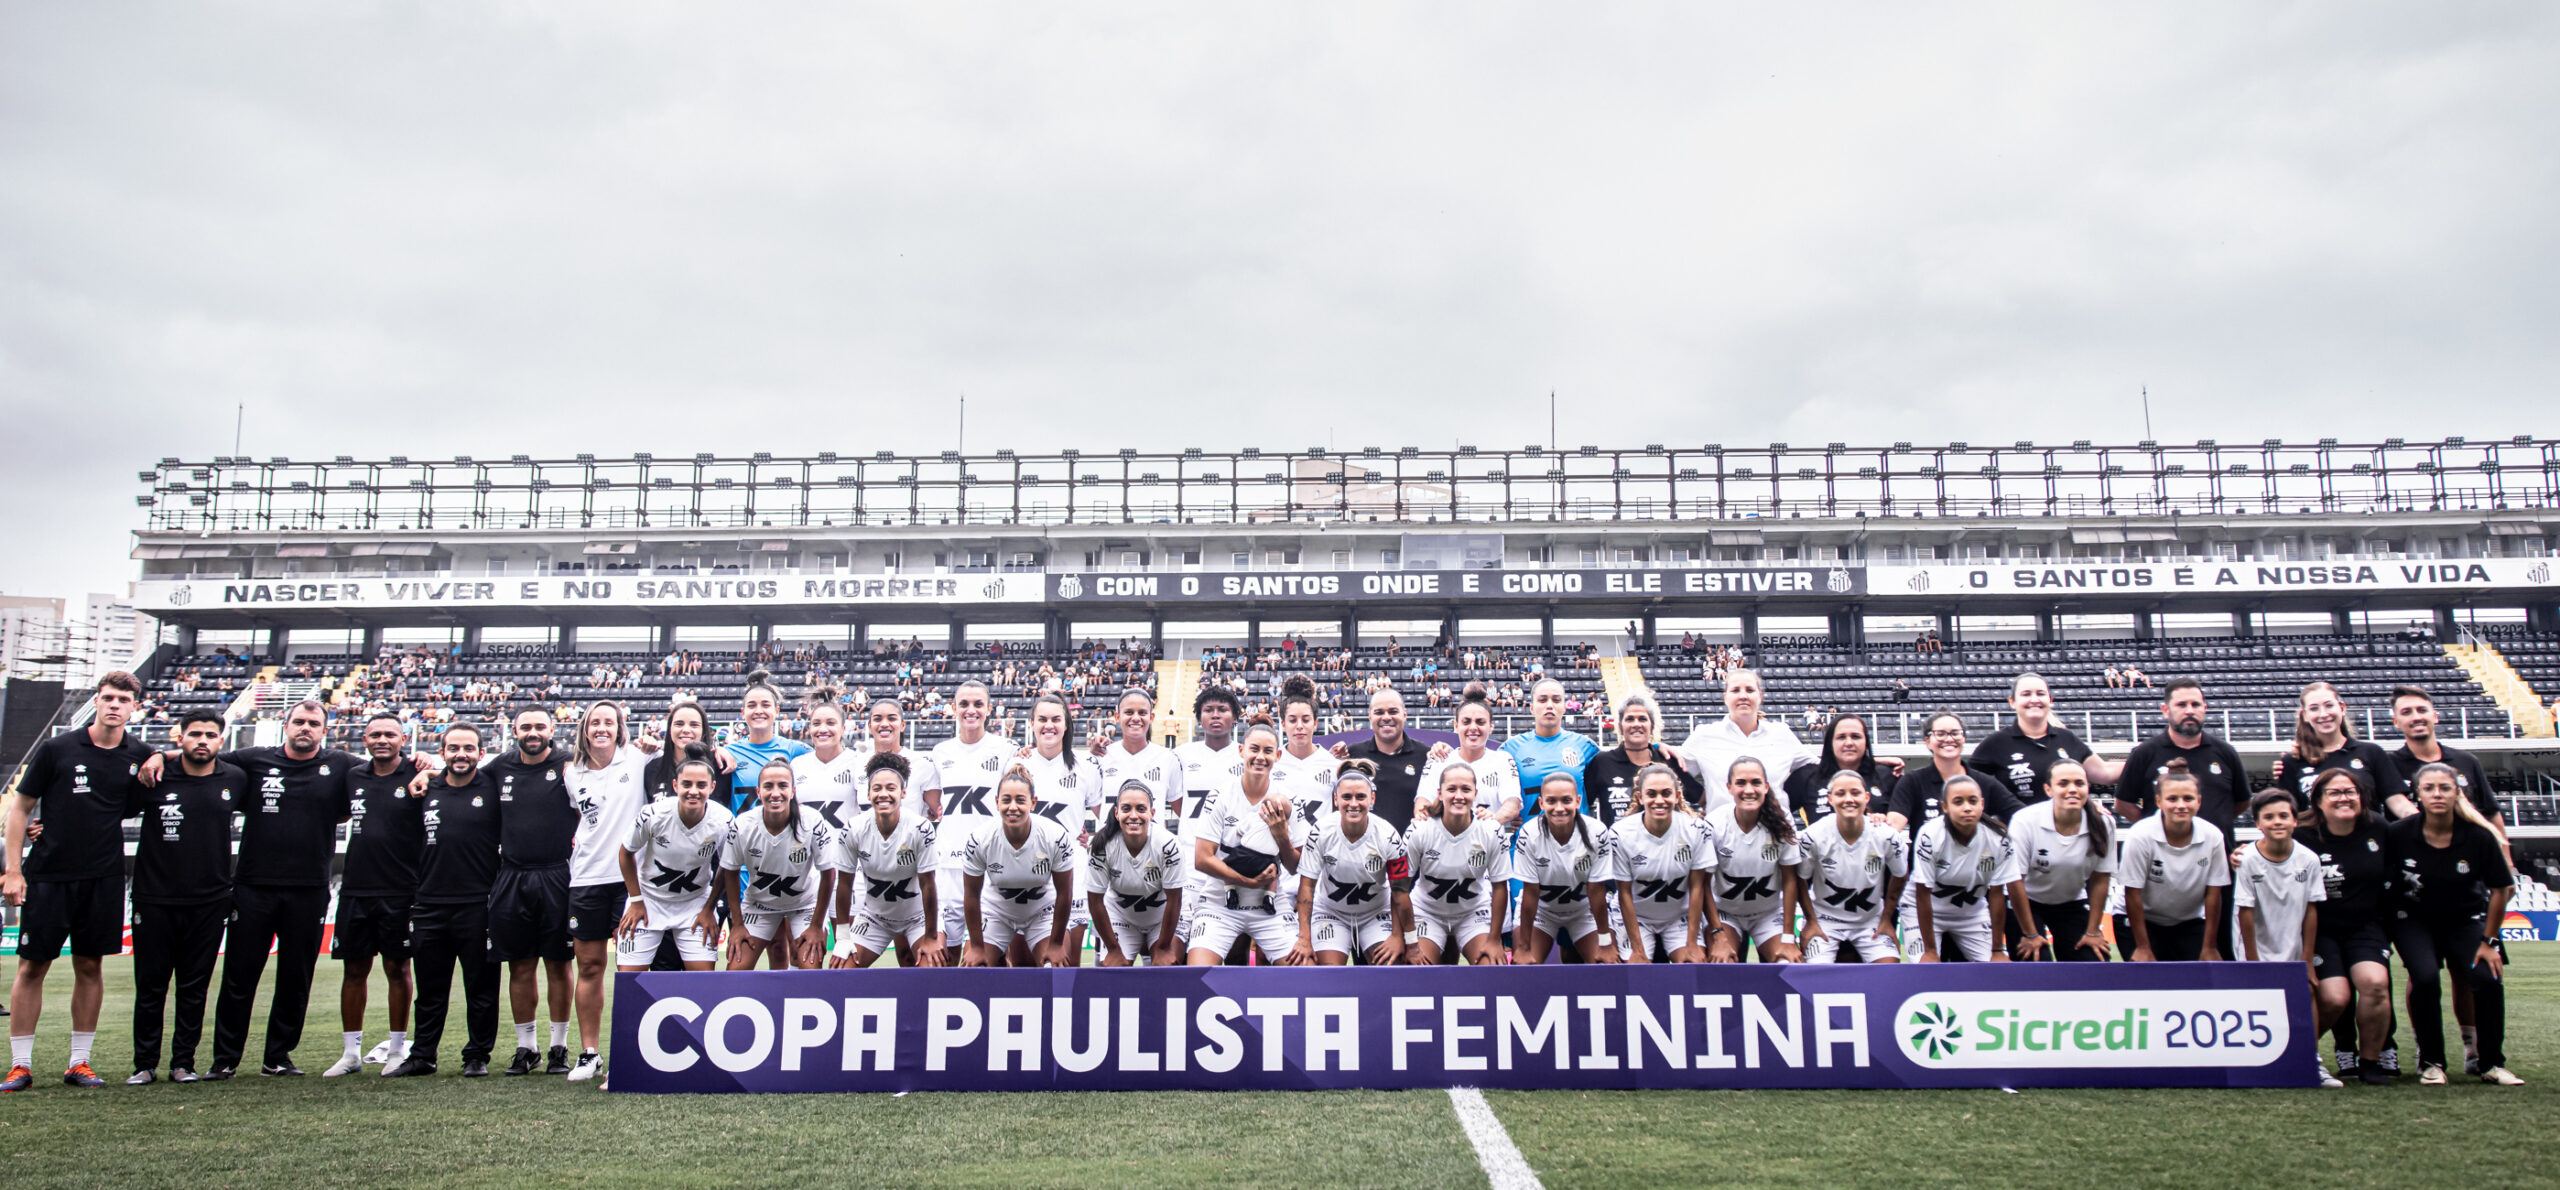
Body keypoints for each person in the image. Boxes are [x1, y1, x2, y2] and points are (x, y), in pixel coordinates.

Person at [3, 672, 150, 1092]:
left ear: (134, 707)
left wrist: (160, 756)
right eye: (107, 697)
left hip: (102, 877)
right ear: (97, 701)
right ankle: (20, 1066)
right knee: (33, 966)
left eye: (123, 699)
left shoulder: (137, 755)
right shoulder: (58, 749)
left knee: (90, 965)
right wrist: (13, 870)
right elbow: (20, 809)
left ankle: (79, 1063)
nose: (114, 705)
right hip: (49, 875)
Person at [195, 698, 356, 1079]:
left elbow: (385, 774)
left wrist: (421, 765)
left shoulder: (341, 766)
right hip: (253, 886)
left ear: (325, 730)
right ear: (286, 725)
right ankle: (225, 1060)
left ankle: (278, 1057)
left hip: (309, 888)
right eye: (299, 721)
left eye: (313, 723)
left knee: (295, 977)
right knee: (239, 976)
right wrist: (159, 757)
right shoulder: (251, 761)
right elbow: (201, 754)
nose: (305, 728)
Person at [123, 710, 246, 1085]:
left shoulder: (236, 779)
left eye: (211, 734)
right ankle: (144, 1064)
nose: (203, 740)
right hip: (154, 897)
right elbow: (107, 808)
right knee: (151, 986)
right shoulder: (153, 776)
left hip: (209, 902)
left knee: (194, 988)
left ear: (221, 741)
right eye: (195, 734)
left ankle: (183, 1064)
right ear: (180, 739)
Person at [2387, 763, 2522, 1085]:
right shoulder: (2398, 834)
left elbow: (2501, 889)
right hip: (2414, 920)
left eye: (2445, 788)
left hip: (2465, 920)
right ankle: (2432, 1062)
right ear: (2417, 795)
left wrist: (2489, 943)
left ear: (2456, 793)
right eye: (2429, 788)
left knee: (2487, 979)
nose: (2437, 794)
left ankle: (2490, 1063)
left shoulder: (2478, 837)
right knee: (2425, 977)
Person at [385, 725, 502, 1078]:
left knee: (480, 987)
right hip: (430, 904)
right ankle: (423, 1055)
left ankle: (477, 1055)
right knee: (430, 989)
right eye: (453, 748)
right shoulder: (425, 789)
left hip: (479, 903)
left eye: (468, 748)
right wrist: (427, 772)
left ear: (482, 753)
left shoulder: (492, 788)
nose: (461, 754)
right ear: (442, 752)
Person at [480, 705, 578, 1076]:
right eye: (526, 727)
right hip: (512, 875)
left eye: (540, 726)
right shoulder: (499, 767)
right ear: (515, 730)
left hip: (557, 874)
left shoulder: (570, 763)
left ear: (552, 729)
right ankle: (526, 1048)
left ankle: (558, 1047)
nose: (532, 732)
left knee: (558, 963)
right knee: (519, 965)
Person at [325, 713, 424, 1076]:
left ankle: (397, 1049)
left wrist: (428, 766)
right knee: (354, 970)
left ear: (403, 739)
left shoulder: (416, 773)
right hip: (356, 888)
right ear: (364, 740)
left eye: (390, 734)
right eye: (375, 734)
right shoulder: (353, 777)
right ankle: (351, 1054)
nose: (382, 739)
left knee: (398, 968)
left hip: (401, 889)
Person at [559, 701, 648, 1081]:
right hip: (585, 879)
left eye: (608, 722)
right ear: (584, 728)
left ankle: (627, 1055)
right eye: (594, 722)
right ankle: (590, 1053)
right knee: (590, 966)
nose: (601, 728)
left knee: (629, 969)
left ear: (619, 727)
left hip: (630, 883)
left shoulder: (639, 759)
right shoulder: (570, 772)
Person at [2299, 770, 2395, 1084]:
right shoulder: (2302, 833)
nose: (2344, 798)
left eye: (2350, 791)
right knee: (2334, 998)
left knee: (2375, 984)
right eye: (2335, 793)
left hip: (2364, 925)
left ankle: (2369, 1063)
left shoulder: (2378, 827)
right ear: (2318, 801)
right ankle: (2299, 1055)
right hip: (2319, 928)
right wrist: (2242, 854)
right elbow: (2267, 850)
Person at [2232, 788, 2331, 1084]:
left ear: (2295, 821)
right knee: (2256, 1000)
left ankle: (2311, 1060)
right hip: (2255, 946)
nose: (2277, 822)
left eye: (2283, 816)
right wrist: (2252, 962)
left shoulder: (2309, 859)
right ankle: (2255, 1062)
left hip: (2292, 941)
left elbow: (2311, 910)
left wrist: (2307, 958)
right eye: (2269, 817)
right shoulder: (2248, 858)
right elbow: (2244, 911)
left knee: (2308, 993)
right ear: (2258, 823)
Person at [1187, 721, 1302, 966]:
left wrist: (1281, 834)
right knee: (1196, 972)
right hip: (1220, 902)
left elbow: (1295, 866)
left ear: (1278, 756)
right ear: (1241, 750)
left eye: (1268, 751)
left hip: (1268, 904)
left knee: (1302, 973)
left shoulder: (1289, 800)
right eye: (1254, 749)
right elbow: (1202, 859)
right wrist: (1246, 881)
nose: (1260, 757)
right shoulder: (1220, 795)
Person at [615, 746, 733, 973]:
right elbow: (625, 853)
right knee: (630, 980)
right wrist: (636, 900)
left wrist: (709, 908)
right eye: (687, 784)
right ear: (675, 785)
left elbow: (728, 867)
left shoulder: (723, 820)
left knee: (703, 981)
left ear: (712, 787)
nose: (693, 791)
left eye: (701, 785)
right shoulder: (653, 815)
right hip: (649, 900)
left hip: (695, 904)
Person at [826, 753, 944, 969]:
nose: (884, 794)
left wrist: (930, 937)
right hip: (875, 918)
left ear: (903, 792)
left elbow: (928, 885)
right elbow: (844, 884)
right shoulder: (853, 828)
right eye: (877, 789)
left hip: (918, 918)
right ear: (868, 793)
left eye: (891, 788)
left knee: (932, 968)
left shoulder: (921, 828)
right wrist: (843, 938)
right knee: (841, 971)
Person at [928, 680, 1018, 964]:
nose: (971, 710)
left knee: (989, 959)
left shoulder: (1006, 749)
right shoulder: (940, 752)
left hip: (991, 866)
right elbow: (932, 804)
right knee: (944, 957)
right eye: (964, 704)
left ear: (989, 709)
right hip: (947, 866)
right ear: (954, 709)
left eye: (978, 704)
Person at [718, 761, 837, 971]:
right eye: (768, 786)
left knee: (810, 967)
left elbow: (828, 874)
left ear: (792, 791)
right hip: (759, 905)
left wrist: (817, 926)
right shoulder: (743, 825)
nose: (775, 793)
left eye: (782, 786)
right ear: (758, 791)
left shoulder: (811, 821)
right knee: (736, 970)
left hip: (804, 905)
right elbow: (730, 871)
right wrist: (737, 925)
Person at [1290, 763, 1413, 965]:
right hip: (1331, 912)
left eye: (1361, 797)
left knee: (1392, 965)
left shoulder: (1387, 834)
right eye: (1347, 797)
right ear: (1336, 800)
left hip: (1375, 912)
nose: (1353, 803)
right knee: (1327, 973)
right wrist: (1304, 938)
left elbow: (1399, 891)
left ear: (1372, 799)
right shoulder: (1320, 831)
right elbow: (1306, 886)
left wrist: (1398, 937)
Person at [1907, 776, 2031, 963]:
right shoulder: (1930, 834)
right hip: (1924, 912)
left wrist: (1997, 949)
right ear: (1945, 807)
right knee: (1927, 967)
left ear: (1982, 804)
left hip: (1971, 914)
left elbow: (1997, 893)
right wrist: (1931, 950)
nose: (1967, 807)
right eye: (1958, 802)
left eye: (1972, 801)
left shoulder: (1999, 838)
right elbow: (1922, 893)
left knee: (1998, 967)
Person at [961, 766, 1076, 968]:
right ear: (996, 803)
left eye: (1020, 800)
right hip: (997, 911)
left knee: (1054, 968)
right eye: (1006, 800)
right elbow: (971, 895)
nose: (1012, 807)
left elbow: (1064, 893)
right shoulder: (980, 839)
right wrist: (977, 947)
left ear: (1033, 803)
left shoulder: (1055, 836)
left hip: (1042, 911)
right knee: (975, 970)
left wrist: (1056, 944)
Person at [2117, 763, 2229, 962]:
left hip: (2188, 920)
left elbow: (2214, 893)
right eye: (2172, 799)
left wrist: (2209, 946)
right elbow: (2132, 892)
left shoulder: (2213, 836)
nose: (2181, 805)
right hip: (2141, 919)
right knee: (2148, 982)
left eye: (2188, 798)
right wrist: (2143, 947)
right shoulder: (2140, 835)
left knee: (2198, 981)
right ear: (2158, 801)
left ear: (2199, 801)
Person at [1607, 764, 1718, 964]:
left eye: (1666, 793)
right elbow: (1624, 894)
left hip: (1678, 915)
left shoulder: (1696, 829)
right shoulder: (1621, 834)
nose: (1659, 800)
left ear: (1677, 796)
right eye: (1652, 794)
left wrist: (1692, 944)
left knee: (1692, 965)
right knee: (1635, 971)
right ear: (1640, 797)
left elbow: (1697, 888)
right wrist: (1638, 950)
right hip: (1637, 916)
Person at [1403, 764, 1512, 966]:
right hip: (1427, 911)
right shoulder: (1419, 829)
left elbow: (1500, 886)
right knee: (1417, 970)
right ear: (1440, 793)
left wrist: (1495, 939)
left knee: (1492, 966)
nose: (1459, 796)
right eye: (1451, 789)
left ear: (1475, 793)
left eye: (1466, 789)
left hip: (1473, 913)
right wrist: (1409, 943)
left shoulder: (1491, 830)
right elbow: (1399, 887)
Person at [2007, 759, 2113, 961]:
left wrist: (2092, 933)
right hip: (2027, 902)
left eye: (2079, 783)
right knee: (2036, 961)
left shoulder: (2104, 823)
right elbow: (2014, 881)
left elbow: (2101, 879)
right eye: (2063, 784)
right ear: (2048, 789)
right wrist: (2030, 934)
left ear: (2087, 788)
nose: (2072, 789)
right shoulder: (2025, 820)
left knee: (2093, 960)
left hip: (2071, 902)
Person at [1797, 771, 1907, 964]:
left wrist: (1887, 920)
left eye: (1855, 793)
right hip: (1825, 920)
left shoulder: (1887, 835)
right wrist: (1811, 921)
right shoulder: (1813, 835)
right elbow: (1800, 881)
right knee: (1815, 975)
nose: (1849, 799)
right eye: (1840, 794)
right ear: (1830, 799)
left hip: (1870, 920)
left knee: (1890, 972)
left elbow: (1900, 875)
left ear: (1867, 797)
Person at [2116, 679, 2250, 836]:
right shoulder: (2144, 753)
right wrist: (2158, 831)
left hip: (2216, 855)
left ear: (2204, 709)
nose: (2190, 711)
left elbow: (2243, 801)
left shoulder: (2226, 753)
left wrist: (2217, 822)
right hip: (2164, 856)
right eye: (2181, 705)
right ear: (2165, 710)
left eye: (2196, 704)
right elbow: (2123, 804)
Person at [1706, 759, 1805, 963]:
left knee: (1788, 962)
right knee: (1722, 962)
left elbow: (1789, 880)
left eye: (1756, 783)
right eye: (1741, 783)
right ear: (1729, 788)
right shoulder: (1715, 824)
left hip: (1767, 914)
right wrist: (1718, 934)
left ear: (1766, 787)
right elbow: (1701, 884)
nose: (1749, 790)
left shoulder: (1782, 822)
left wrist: (1788, 936)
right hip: (1726, 913)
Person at [1678, 669, 1814, 817]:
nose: (1743, 696)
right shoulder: (1704, 735)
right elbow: (1671, 772)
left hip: (1777, 833)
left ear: (1760, 696)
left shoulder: (1781, 733)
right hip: (1722, 835)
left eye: (1750, 690)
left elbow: (1821, 769)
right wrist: (1698, 795)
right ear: (1725, 697)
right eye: (1735, 690)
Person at [1512, 773, 1616, 964]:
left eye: (1566, 800)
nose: (1559, 808)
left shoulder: (1597, 832)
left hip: (1584, 912)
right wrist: (1524, 948)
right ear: (1541, 804)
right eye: (1552, 801)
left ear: (1578, 801)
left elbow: (1596, 892)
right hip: (1542, 912)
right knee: (1524, 966)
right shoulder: (1529, 833)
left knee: (1606, 965)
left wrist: (1605, 943)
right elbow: (1531, 893)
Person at [2270, 682, 2413, 820]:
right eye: (2314, 708)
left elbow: (2397, 802)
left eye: (2329, 705)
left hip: (2366, 841)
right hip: (2313, 843)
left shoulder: (2371, 752)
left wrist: (2424, 824)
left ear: (2342, 708)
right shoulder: (2292, 761)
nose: (2324, 714)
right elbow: (2287, 814)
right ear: (2305, 715)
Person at [1972, 672, 2123, 803]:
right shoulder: (1996, 743)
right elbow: (1967, 783)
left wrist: (2143, 758)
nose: (2034, 699)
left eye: (2040, 693)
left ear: (2050, 700)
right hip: (2018, 832)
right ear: (2012, 702)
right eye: (2026, 694)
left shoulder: (2066, 738)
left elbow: (2104, 772)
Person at [1083, 779, 1186, 967]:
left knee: (1166, 968)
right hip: (1122, 917)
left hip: (1162, 917)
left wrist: (1163, 948)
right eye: (1126, 808)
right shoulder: (1101, 846)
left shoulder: (1168, 845)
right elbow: (1095, 901)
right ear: (1116, 812)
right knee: (1113, 971)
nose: (1133, 815)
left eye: (1140, 809)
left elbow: (1175, 899)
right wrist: (1113, 950)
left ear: (1151, 813)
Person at [1884, 710, 2022, 844]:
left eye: (1955, 733)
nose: (1949, 739)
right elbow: (1894, 825)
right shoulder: (1912, 782)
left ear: (1964, 738)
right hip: (1927, 865)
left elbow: (2021, 816)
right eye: (1940, 734)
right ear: (1927, 740)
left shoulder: (1985, 783)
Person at [1585, 691, 1706, 826]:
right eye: (1630, 719)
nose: (1636, 724)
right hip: (1617, 846)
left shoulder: (1667, 760)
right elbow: (1584, 806)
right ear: (1620, 726)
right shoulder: (1602, 762)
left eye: (1642, 719)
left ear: (1652, 726)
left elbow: (1700, 798)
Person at [1418, 685, 1524, 829]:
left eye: (1480, 722)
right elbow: (1422, 804)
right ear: (1456, 726)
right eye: (1466, 722)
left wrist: (1491, 821)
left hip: (1489, 845)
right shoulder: (1439, 758)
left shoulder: (1503, 760)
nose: (1473, 727)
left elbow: (1512, 804)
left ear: (1491, 726)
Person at [1496, 678, 1603, 814]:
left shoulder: (1586, 747)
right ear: (1532, 708)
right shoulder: (1510, 749)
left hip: (1576, 834)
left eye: (1556, 700)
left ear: (1564, 707)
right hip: (1527, 834)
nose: (1549, 705)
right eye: (1542, 700)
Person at [720, 670, 812, 815]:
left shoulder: (795, 750)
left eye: (765, 705)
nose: (758, 711)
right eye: (751, 706)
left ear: (776, 711)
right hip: (742, 836)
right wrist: (716, 751)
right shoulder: (729, 752)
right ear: (743, 712)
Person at [1783, 713, 1900, 827]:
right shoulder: (1807, 777)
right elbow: (1776, 812)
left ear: (1866, 741)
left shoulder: (1886, 775)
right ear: (1830, 742)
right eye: (1841, 737)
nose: (1849, 743)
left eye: (1856, 736)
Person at [1335, 688, 1427, 830]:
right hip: (1364, 849)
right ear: (1370, 717)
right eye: (1379, 712)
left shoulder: (1425, 756)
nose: (1386, 717)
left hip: (1411, 849)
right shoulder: (1353, 755)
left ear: (1405, 715)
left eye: (1393, 711)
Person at [851, 697, 943, 823]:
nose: (884, 724)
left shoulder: (921, 765)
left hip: (908, 842)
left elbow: (941, 813)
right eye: (878, 719)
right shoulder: (856, 764)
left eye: (892, 718)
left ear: (902, 725)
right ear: (870, 726)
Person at [1270, 675, 1341, 834]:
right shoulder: (1272, 764)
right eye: (1292, 720)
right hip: (1279, 853)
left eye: (1306, 720)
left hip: (1322, 854)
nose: (1299, 726)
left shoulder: (1333, 764)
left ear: (1315, 723)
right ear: (1283, 723)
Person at [789, 695, 865, 831]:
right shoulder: (797, 765)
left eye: (830, 723)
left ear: (842, 729)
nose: (823, 729)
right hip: (805, 851)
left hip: (845, 851)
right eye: (816, 723)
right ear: (810, 728)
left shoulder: (858, 762)